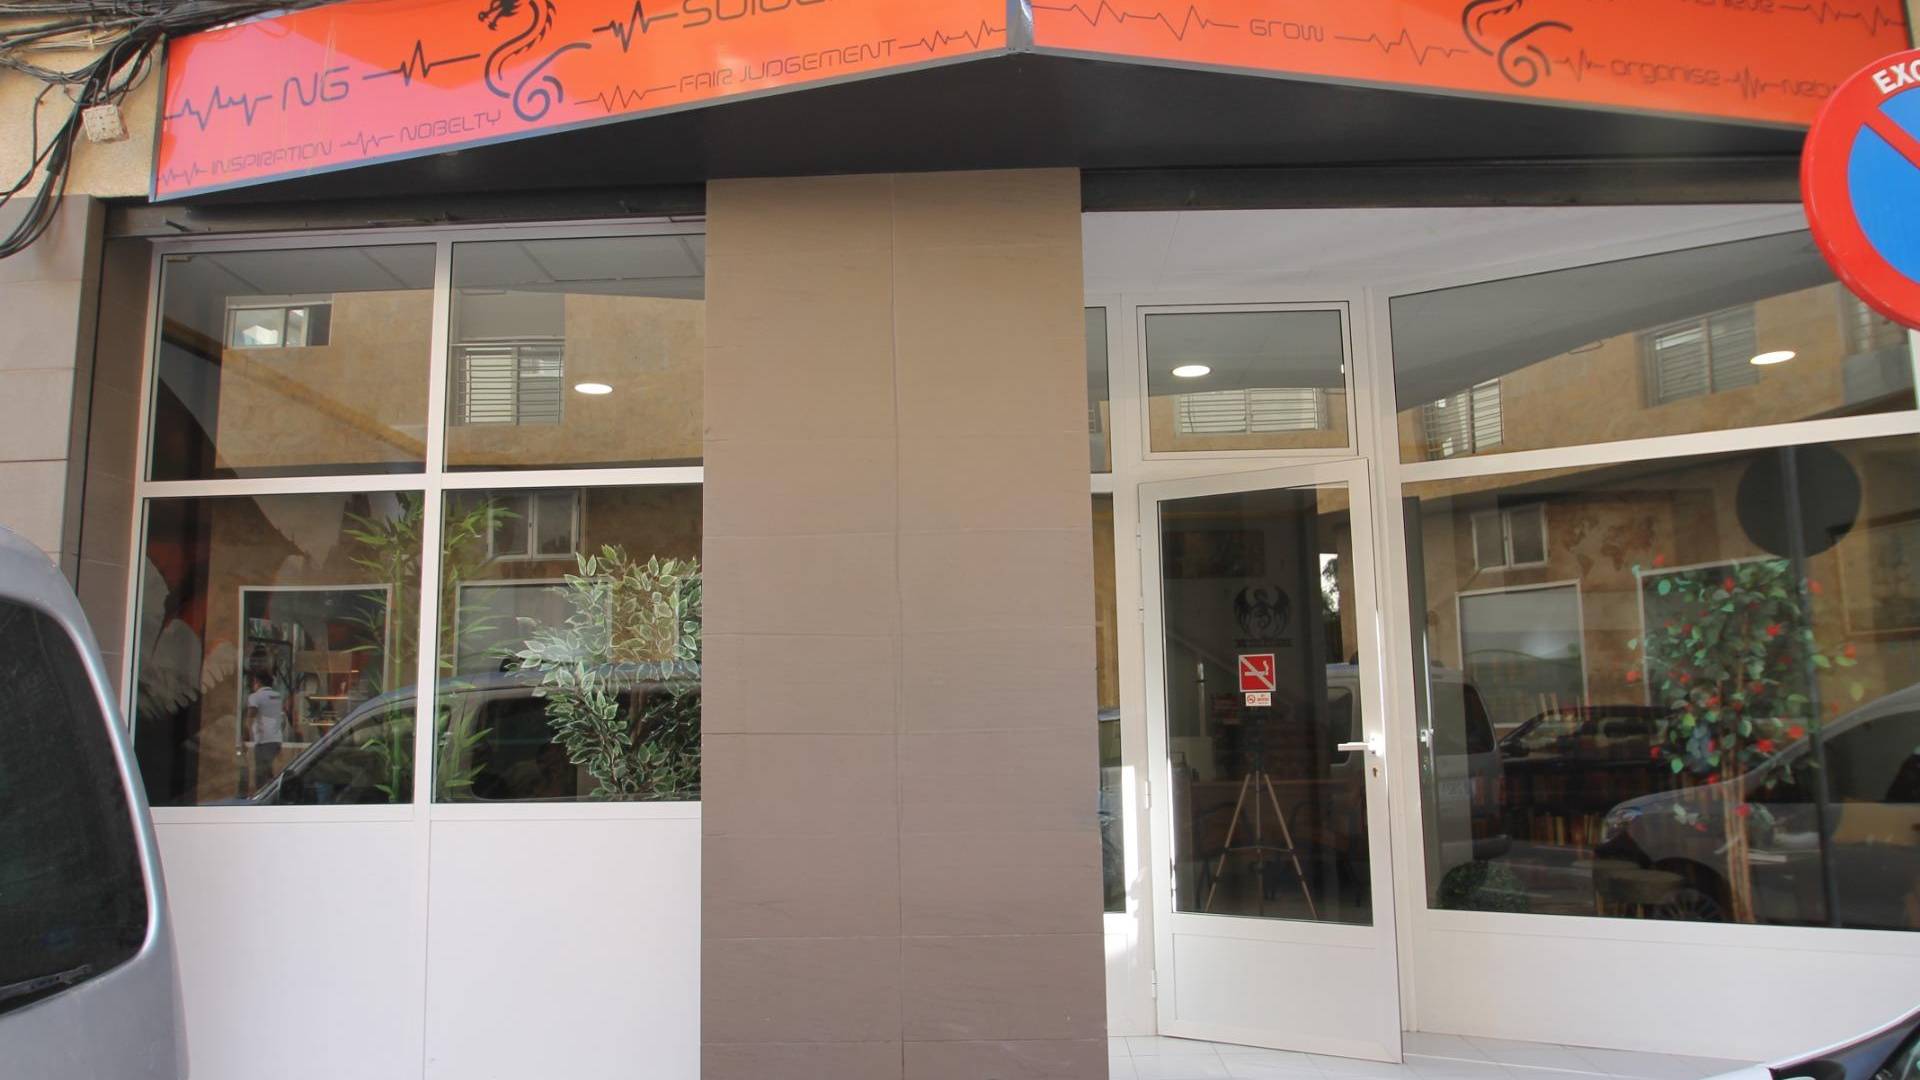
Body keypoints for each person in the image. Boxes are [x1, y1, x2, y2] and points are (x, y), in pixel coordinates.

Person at [245, 673, 289, 792]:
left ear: (257, 682)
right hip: (276, 740)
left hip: (263, 740)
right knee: (269, 772)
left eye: (254, 682)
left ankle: (262, 798)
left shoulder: (255, 697)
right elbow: (282, 719)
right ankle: (272, 794)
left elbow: (250, 716)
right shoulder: (277, 696)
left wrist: (247, 736)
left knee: (261, 775)